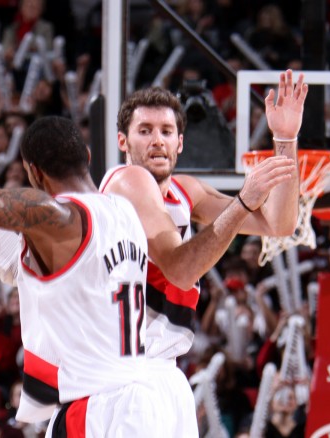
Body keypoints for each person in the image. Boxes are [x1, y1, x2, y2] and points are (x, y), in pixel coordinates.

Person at [0, 11, 160, 436]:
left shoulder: (58, 219)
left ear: (34, 174)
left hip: (96, 411)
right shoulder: (124, 213)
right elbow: (10, 264)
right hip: (138, 403)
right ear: (88, 159)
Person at [98, 73, 307, 435]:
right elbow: (180, 269)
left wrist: (285, 141)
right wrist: (244, 200)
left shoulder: (185, 191)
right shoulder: (124, 182)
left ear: (180, 143)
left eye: (166, 131)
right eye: (144, 130)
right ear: (123, 141)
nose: (157, 141)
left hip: (165, 370)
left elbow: (279, 223)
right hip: (124, 374)